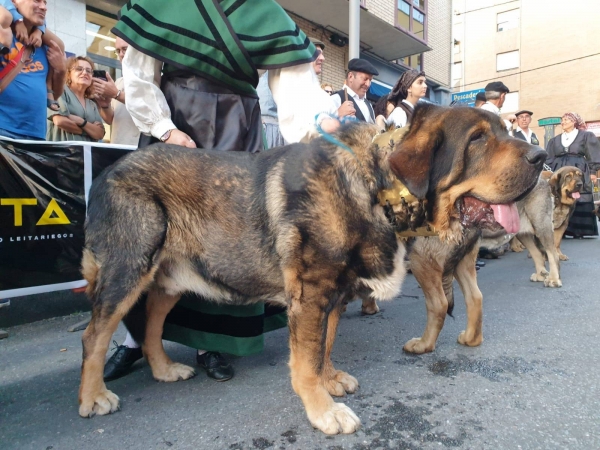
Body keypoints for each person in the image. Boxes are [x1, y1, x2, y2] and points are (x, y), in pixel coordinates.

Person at [106, 0, 337, 382]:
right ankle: (134, 342)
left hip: (238, 126)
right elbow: (139, 72)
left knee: (226, 241)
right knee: (149, 240)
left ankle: (211, 343)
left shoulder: (265, 10)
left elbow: (297, 94)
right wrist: (164, 128)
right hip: (176, 121)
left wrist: (322, 128)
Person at [0, 0, 65, 140]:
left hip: (36, 134)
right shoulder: (3, 31)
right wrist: (17, 20)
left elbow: (56, 94)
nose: (44, 7)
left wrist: (61, 71)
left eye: (45, 2)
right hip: (3, 131)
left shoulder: (46, 45)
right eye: (36, 0)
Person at [545, 112, 600, 238]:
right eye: (562, 120)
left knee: (580, 196)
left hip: (579, 169)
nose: (563, 122)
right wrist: (552, 173)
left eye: (566, 120)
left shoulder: (586, 136)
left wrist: (592, 172)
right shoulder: (555, 140)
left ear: (574, 122)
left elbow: (593, 154)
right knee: (559, 197)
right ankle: (560, 228)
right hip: (561, 172)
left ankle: (579, 230)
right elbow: (549, 158)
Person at [88, 37, 140, 146]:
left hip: (140, 149)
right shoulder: (119, 82)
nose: (121, 54)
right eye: (118, 51)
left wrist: (116, 94)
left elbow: (148, 107)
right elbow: (111, 120)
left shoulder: (151, 79)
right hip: (117, 145)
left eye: (125, 49)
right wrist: (105, 106)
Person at [46, 56, 105, 142]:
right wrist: (89, 131)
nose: (84, 73)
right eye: (79, 69)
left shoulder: (92, 104)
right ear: (69, 73)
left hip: (86, 154)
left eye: (89, 71)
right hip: (63, 153)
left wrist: (81, 121)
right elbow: (60, 121)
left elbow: (100, 133)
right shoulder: (60, 91)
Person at [331, 58, 379, 123]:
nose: (368, 84)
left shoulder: (368, 105)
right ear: (351, 76)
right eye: (365, 79)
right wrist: (337, 115)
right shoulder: (336, 99)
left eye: (370, 80)